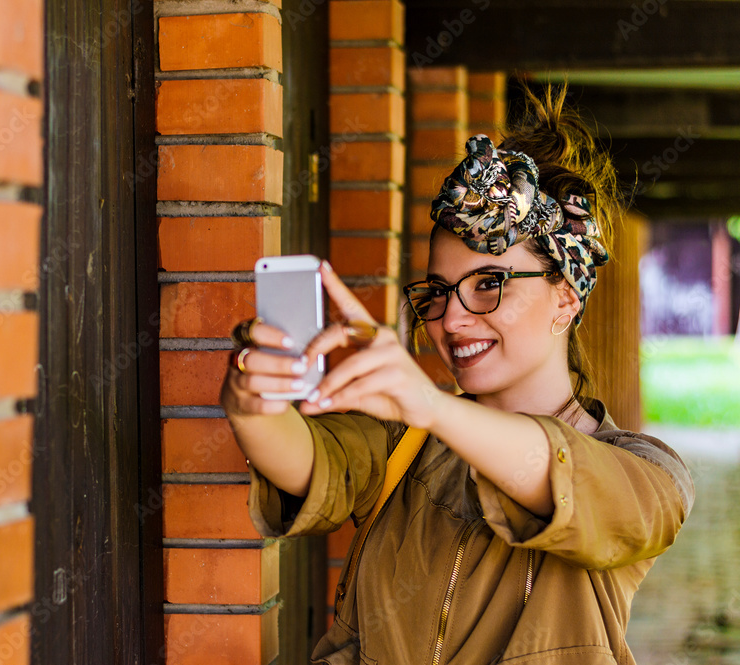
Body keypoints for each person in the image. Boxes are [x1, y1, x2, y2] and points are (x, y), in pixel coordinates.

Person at [219, 86, 694, 664]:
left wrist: (432, 404)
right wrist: (254, 402)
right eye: (439, 292)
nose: (452, 318)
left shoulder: (646, 472)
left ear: (566, 299)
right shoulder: (408, 442)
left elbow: (561, 475)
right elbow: (309, 463)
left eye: (489, 283)